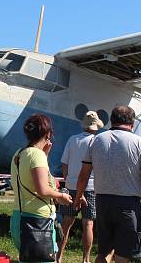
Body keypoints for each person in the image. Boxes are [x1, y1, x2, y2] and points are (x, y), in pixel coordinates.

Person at [75, 106, 141, 263]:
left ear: (111, 120)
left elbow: (83, 176)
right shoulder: (139, 142)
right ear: (132, 123)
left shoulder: (96, 140)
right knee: (123, 255)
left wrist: (78, 197)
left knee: (104, 250)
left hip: (103, 202)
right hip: (129, 204)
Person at [10, 114, 72, 263]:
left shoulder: (19, 154)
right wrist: (60, 196)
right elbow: (43, 189)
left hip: (19, 217)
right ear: (48, 134)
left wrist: (45, 155)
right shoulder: (37, 156)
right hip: (38, 221)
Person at [56, 111, 104, 263]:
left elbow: (64, 163)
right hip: (90, 186)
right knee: (88, 224)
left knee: (66, 222)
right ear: (96, 127)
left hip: (71, 186)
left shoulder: (72, 139)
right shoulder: (97, 142)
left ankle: (58, 257)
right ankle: (86, 259)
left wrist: (68, 179)